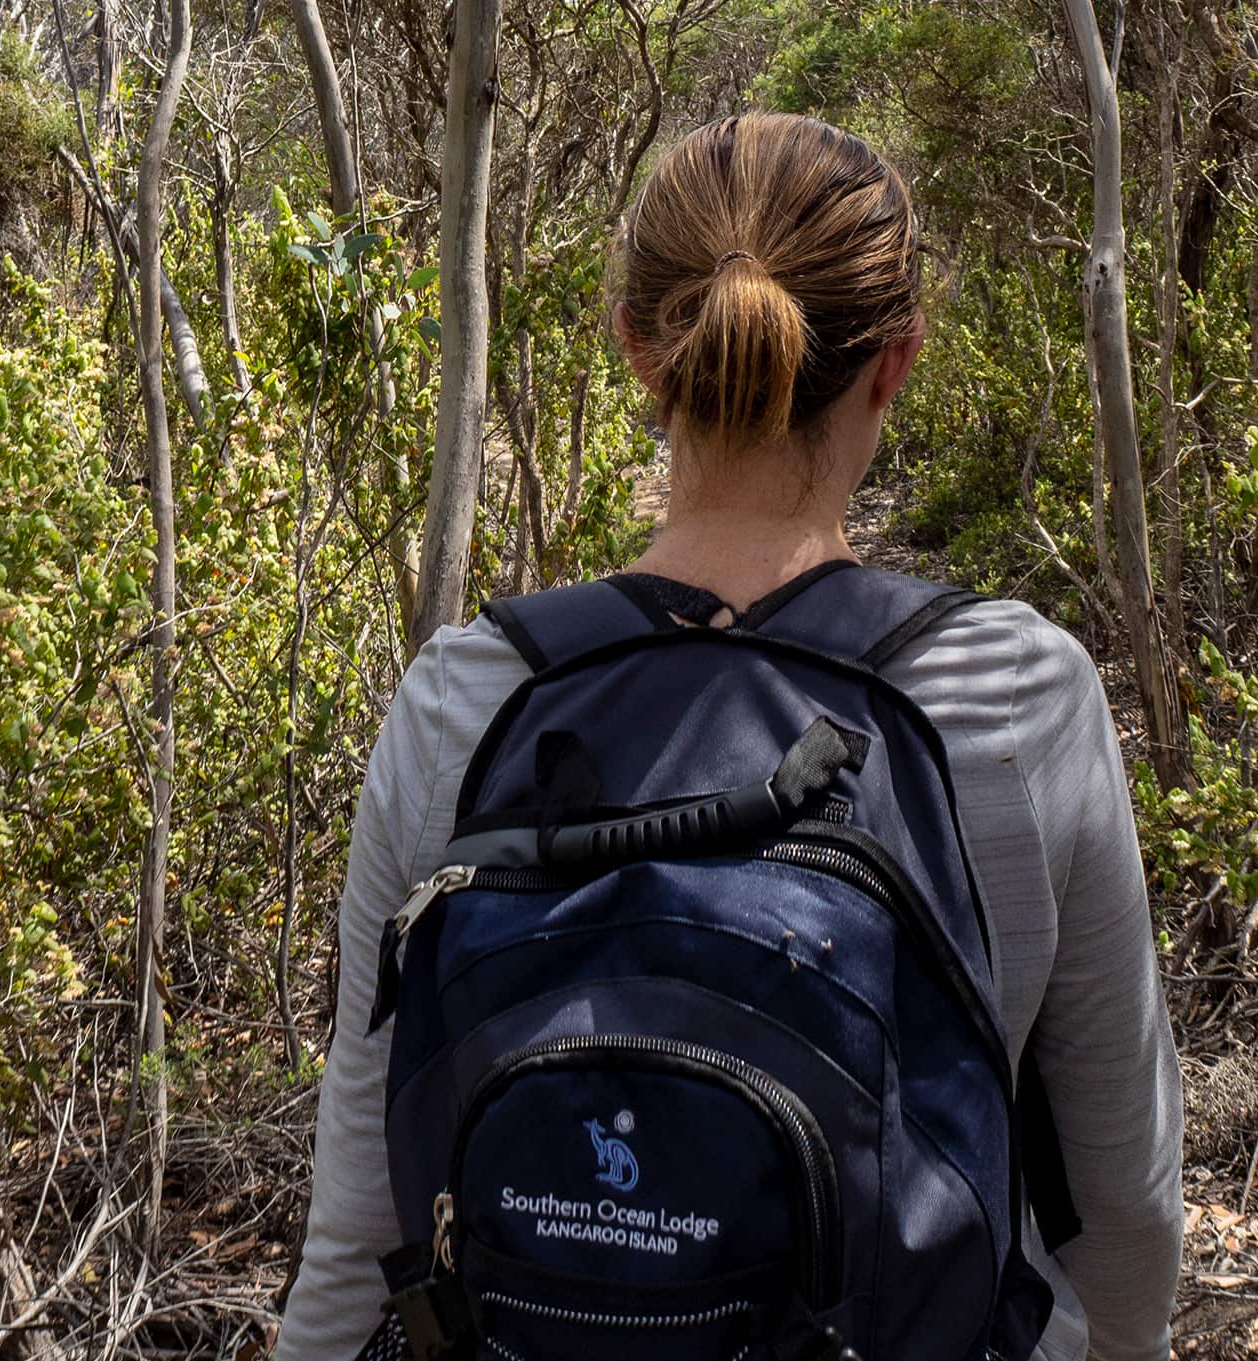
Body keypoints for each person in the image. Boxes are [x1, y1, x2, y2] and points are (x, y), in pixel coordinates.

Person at [278, 111, 1183, 1361]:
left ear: (637, 351)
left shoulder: (463, 697)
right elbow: (1121, 1201)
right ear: (896, 360)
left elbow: (357, 1215)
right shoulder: (1017, 694)